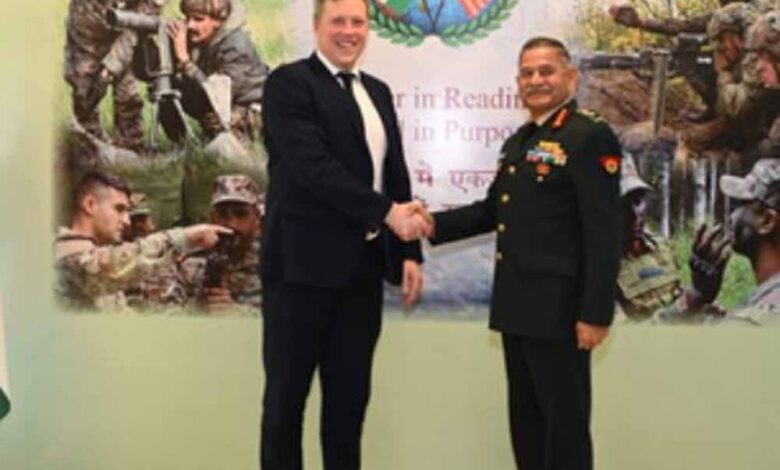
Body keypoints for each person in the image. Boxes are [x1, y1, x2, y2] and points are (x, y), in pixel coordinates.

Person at [424, 37, 622, 470]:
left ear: (570, 77)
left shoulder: (588, 136)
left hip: (561, 314)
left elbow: (605, 231)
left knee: (564, 435)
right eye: (527, 73)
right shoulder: (520, 141)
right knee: (528, 430)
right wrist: (430, 223)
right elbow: (493, 211)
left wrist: (595, 313)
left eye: (546, 71)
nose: (536, 80)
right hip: (518, 308)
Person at [259, 0, 428, 466]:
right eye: (338, 21)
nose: (349, 31)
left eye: (358, 22)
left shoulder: (378, 91)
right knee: (284, 409)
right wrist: (388, 213)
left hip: (361, 277)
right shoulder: (289, 84)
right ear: (317, 26)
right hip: (298, 275)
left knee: (348, 412)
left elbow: (394, 173)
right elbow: (313, 168)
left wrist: (409, 251)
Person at [55, 171, 230, 310]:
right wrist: (186, 237)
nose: (127, 221)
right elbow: (116, 263)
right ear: (90, 205)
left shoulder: (96, 264)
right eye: (119, 209)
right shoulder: (63, 255)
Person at [617, 154, 731, 322]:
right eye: (621, 204)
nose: (635, 213)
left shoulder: (659, 248)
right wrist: (693, 298)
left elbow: (674, 298)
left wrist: (703, 304)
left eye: (637, 201)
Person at [64, 0, 166, 151]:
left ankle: (131, 145)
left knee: (127, 94)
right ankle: (89, 142)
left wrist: (111, 66)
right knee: (84, 93)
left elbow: (136, 26)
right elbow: (82, 24)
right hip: (88, 26)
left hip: (127, 28)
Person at [165, 0, 270, 142]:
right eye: (187, 18)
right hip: (225, 101)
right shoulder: (199, 37)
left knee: (216, 121)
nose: (190, 25)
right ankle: (180, 143)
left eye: (198, 19)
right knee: (167, 90)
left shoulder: (235, 46)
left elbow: (219, 96)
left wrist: (185, 61)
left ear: (218, 21)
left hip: (251, 107)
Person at [180, 174, 263, 311]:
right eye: (223, 214)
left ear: (257, 218)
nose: (232, 224)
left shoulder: (273, 265)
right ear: (212, 218)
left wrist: (238, 314)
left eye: (241, 214)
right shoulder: (190, 264)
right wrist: (197, 309)